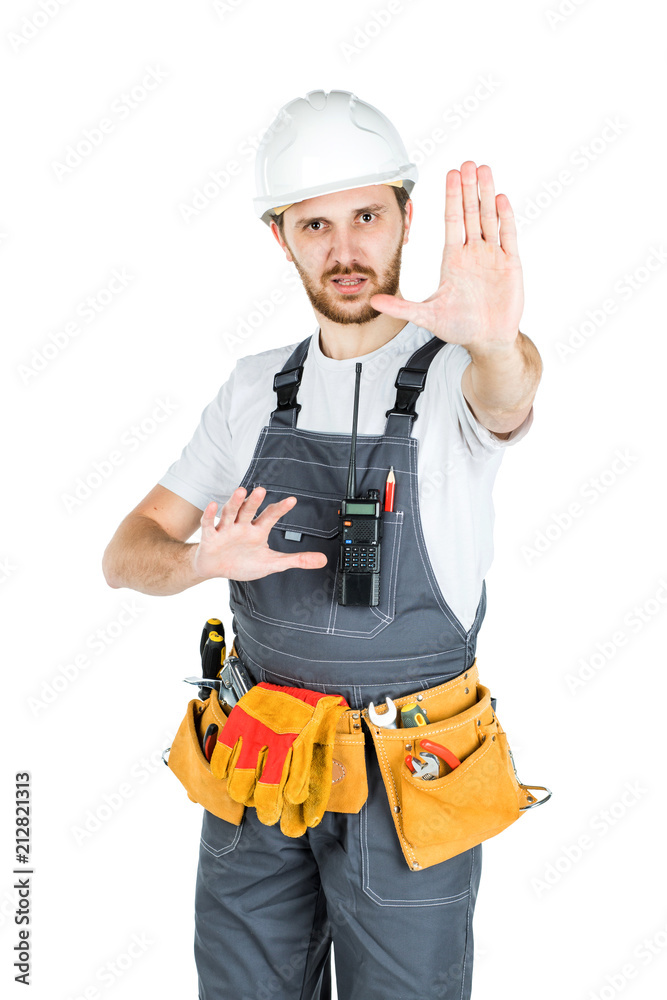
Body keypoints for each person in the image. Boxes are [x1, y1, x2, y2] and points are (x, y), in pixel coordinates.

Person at [102, 89, 542, 1000]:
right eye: (315, 225)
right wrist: (194, 565)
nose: (345, 250)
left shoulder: (461, 369)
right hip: (257, 758)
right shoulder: (252, 388)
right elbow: (125, 553)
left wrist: (497, 343)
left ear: (406, 217)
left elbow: (510, 393)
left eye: (367, 215)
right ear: (282, 237)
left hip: (408, 776)